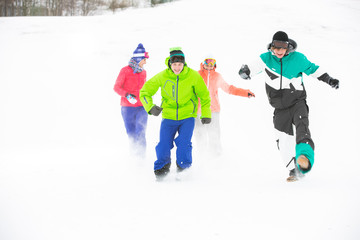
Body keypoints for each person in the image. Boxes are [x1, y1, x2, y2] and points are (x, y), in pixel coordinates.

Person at [238, 31, 340, 182]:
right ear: (271, 47)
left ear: (288, 47)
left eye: (282, 47)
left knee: (302, 129)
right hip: (279, 108)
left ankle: (304, 159)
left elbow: (313, 69)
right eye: (275, 48)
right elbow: (252, 67)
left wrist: (329, 79)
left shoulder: (297, 59)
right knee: (282, 140)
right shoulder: (266, 59)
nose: (279, 51)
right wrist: (245, 71)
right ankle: (294, 170)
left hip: (297, 102)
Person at [139, 47, 211, 179]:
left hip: (187, 116)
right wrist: (150, 107)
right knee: (164, 144)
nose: (177, 67)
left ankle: (183, 169)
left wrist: (206, 113)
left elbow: (205, 96)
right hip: (168, 116)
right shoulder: (163, 76)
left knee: (184, 144)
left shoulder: (193, 76)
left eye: (180, 64)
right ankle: (162, 168)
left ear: (184, 64)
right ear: (170, 64)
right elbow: (145, 91)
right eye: (174, 64)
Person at [195, 57, 255, 156]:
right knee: (199, 133)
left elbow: (229, 89)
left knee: (214, 133)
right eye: (207, 63)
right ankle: (202, 155)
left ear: (214, 65)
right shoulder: (197, 75)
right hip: (198, 110)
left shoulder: (217, 76)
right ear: (203, 63)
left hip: (213, 110)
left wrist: (244, 92)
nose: (209, 66)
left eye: (212, 64)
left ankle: (216, 155)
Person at [114, 43, 149, 157]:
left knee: (141, 132)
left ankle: (141, 159)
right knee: (132, 135)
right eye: (144, 59)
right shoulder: (125, 70)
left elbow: (144, 89)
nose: (145, 62)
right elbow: (116, 87)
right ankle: (134, 158)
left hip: (142, 107)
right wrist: (127, 95)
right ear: (138, 59)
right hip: (127, 108)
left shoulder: (144, 72)